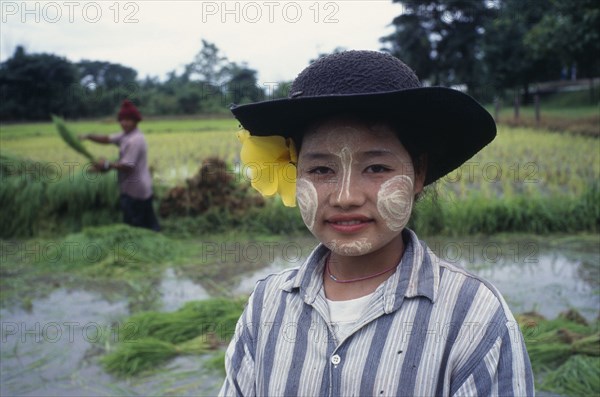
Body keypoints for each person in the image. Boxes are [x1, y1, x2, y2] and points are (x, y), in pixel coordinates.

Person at [220, 51, 534, 396]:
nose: (345, 197)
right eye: (321, 170)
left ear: (418, 173)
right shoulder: (266, 305)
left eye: (377, 168)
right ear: (296, 175)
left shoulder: (473, 315)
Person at [80, 100, 160, 232]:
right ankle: (153, 239)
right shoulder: (125, 135)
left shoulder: (136, 140)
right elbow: (107, 139)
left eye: (128, 120)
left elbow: (128, 166)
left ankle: (142, 246)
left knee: (136, 226)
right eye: (122, 120)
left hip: (136, 190)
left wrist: (106, 164)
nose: (124, 123)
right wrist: (89, 136)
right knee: (148, 223)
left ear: (135, 121)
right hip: (132, 187)